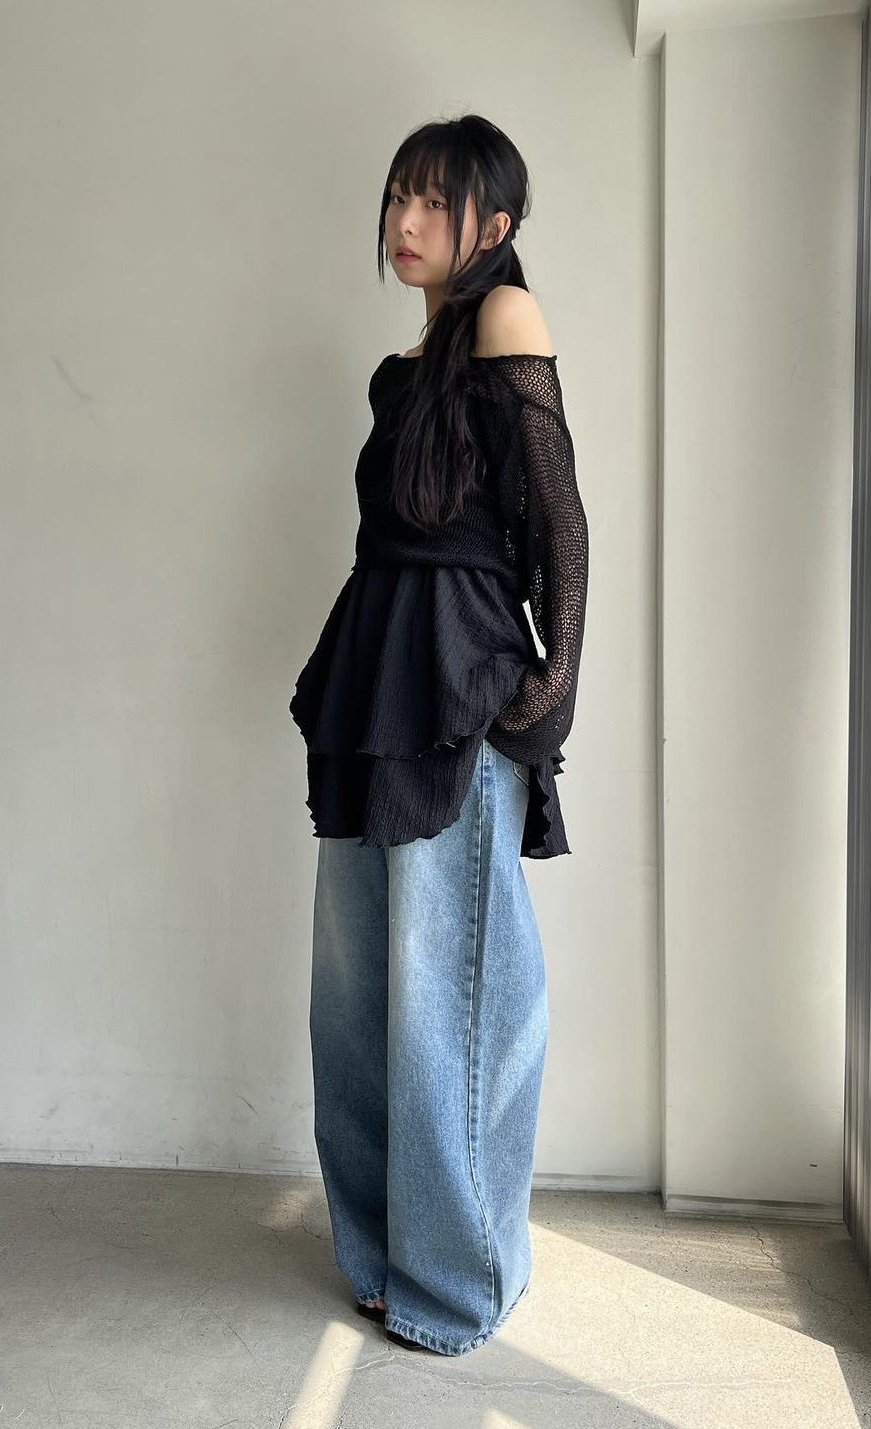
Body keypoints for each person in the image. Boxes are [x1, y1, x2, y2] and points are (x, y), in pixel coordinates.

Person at [288, 113, 589, 1356]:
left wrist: (549, 687)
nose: (404, 223)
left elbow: (558, 519)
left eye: (433, 202)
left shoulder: (505, 317)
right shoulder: (407, 361)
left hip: (457, 685)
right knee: (356, 997)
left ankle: (458, 1283)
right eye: (397, 198)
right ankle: (382, 1253)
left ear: (495, 225)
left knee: (451, 997)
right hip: (375, 678)